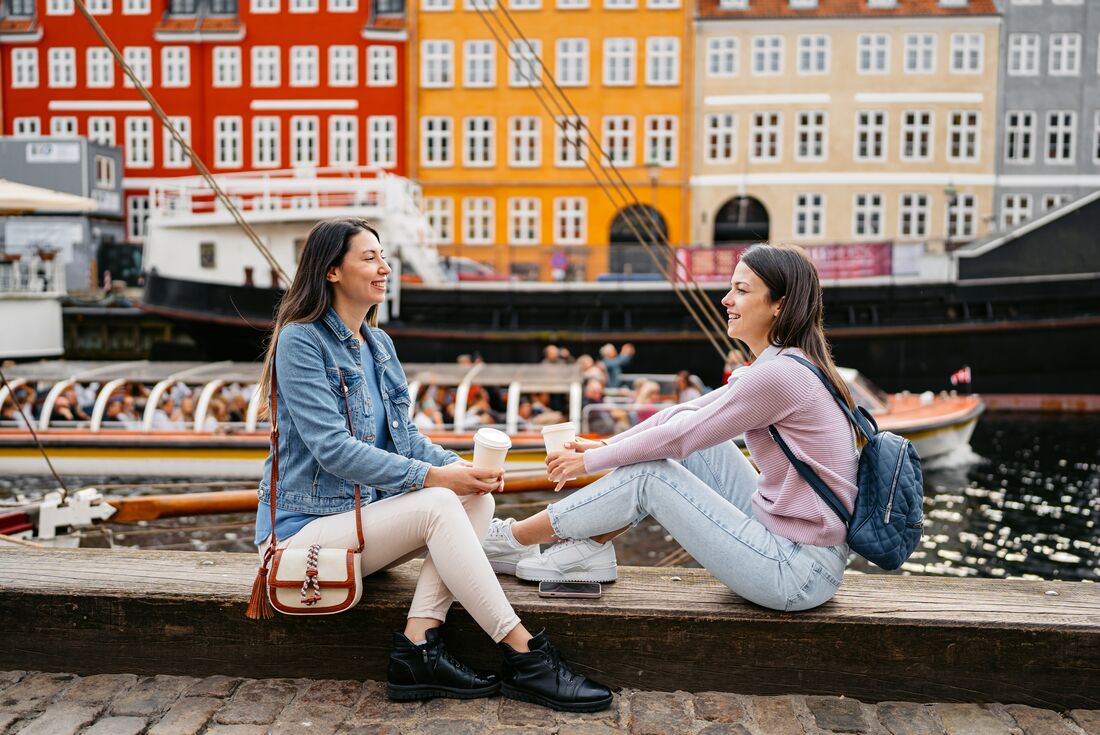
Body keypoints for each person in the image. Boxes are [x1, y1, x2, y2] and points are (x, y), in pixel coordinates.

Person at [253, 217, 611, 711]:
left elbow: (406, 439)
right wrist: (437, 477)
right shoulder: (301, 340)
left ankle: (419, 644)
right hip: (301, 536)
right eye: (370, 258)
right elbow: (332, 448)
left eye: (384, 257)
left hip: (358, 526)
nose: (384, 268)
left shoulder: (378, 345)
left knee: (473, 498)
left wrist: (461, 468)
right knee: (441, 501)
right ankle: (526, 654)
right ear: (331, 271)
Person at [485, 243, 856, 612]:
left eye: (741, 290)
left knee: (650, 475)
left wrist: (589, 463)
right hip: (791, 543)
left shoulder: (780, 376)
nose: (726, 299)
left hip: (797, 572)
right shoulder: (788, 364)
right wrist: (605, 446)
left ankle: (512, 539)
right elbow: (678, 417)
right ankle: (590, 549)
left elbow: (681, 437)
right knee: (698, 448)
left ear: (779, 305)